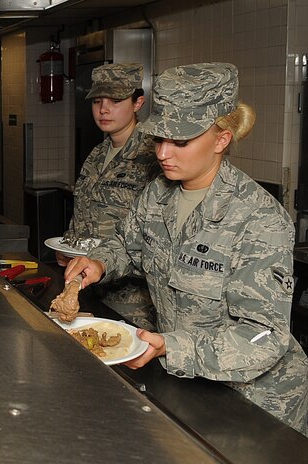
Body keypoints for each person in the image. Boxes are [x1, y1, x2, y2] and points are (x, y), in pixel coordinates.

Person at [65, 63, 308, 436]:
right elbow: (128, 246)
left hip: (257, 404)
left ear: (222, 139)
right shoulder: (157, 194)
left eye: (180, 142)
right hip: (190, 385)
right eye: (159, 138)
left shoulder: (258, 219)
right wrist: (100, 262)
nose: (163, 153)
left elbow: (264, 337)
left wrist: (172, 347)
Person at [56, 63, 159, 329]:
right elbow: (83, 211)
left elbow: (157, 233)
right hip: (87, 288)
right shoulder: (98, 154)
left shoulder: (155, 156)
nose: (103, 110)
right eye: (98, 101)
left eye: (115, 100)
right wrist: (68, 249)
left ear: (138, 102)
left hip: (132, 302)